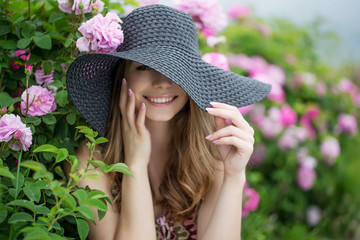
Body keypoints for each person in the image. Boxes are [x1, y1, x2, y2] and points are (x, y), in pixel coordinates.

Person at [66, 4, 271, 240]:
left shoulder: (210, 155)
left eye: (175, 68)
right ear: (121, 76)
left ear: (192, 78)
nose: (162, 81)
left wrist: (234, 177)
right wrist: (135, 164)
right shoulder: (91, 163)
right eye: (143, 66)